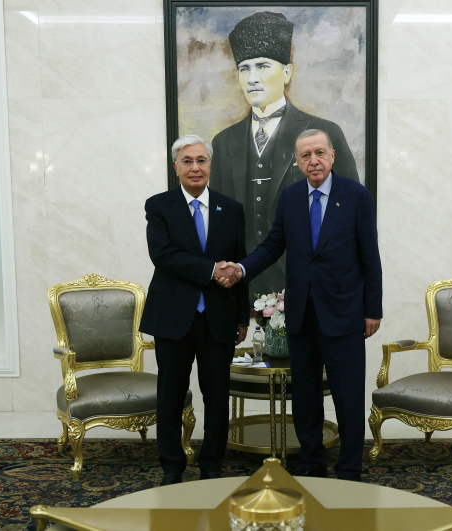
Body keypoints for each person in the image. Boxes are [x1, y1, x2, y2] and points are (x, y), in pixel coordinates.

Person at [218, 129, 382, 482]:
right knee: (306, 400)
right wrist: (242, 268)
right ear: (297, 162)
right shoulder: (291, 197)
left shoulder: (355, 195)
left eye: (319, 153)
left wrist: (373, 310)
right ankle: (312, 468)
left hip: (344, 315)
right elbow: (273, 244)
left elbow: (370, 256)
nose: (314, 161)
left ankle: (350, 471)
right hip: (301, 316)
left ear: (332, 155)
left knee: (348, 398)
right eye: (306, 155)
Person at [209, 10, 360, 302]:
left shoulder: (326, 133)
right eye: (244, 68)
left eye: (263, 66)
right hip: (244, 283)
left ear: (287, 72)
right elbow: (218, 222)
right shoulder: (224, 142)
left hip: (309, 281)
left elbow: (350, 216)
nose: (252, 78)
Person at [139, 135, 248, 485]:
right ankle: (172, 467)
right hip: (173, 317)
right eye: (187, 161)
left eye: (201, 160)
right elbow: (163, 255)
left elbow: (240, 263)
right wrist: (211, 270)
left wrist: (242, 317)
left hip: (219, 316)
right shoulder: (159, 206)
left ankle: (212, 464)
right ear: (176, 167)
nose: (195, 167)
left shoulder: (231, 208)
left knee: (216, 396)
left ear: (210, 164)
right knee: (170, 396)